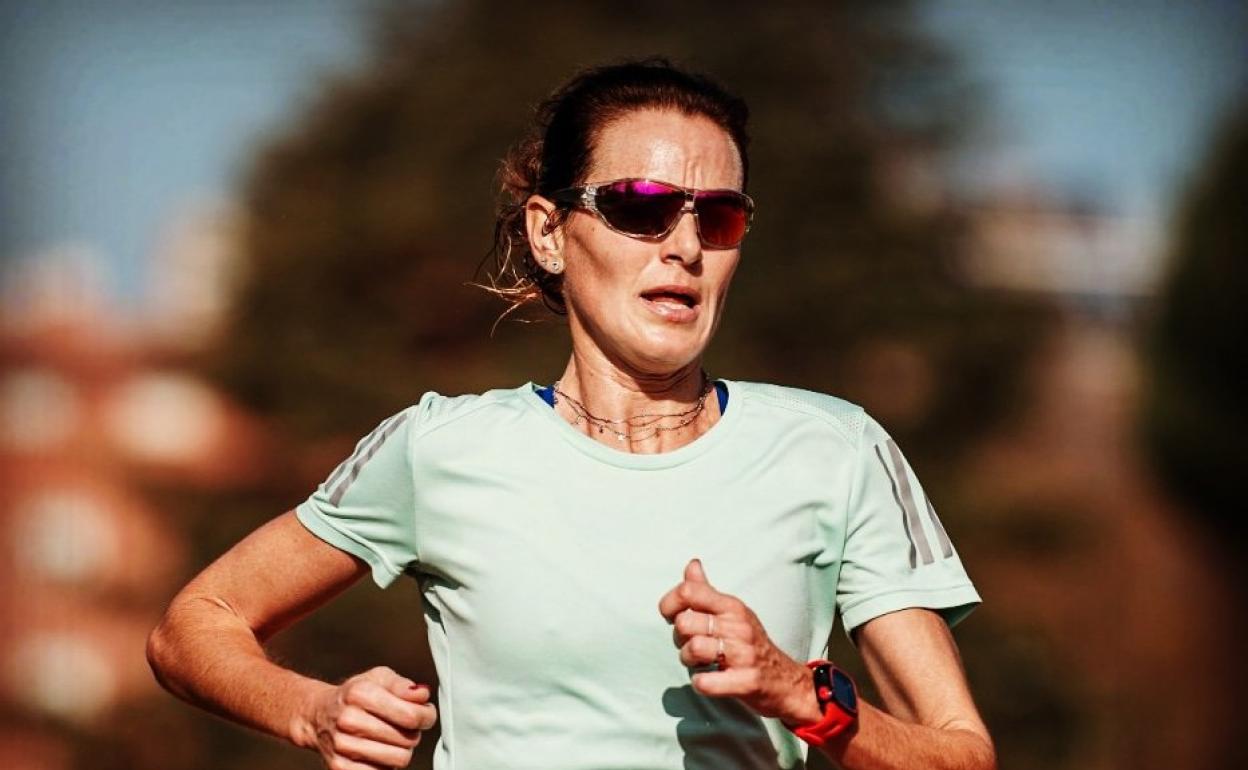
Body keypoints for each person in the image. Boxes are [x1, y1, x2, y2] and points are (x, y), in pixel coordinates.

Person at [147, 59, 996, 770]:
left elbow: (962, 754)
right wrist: (315, 710)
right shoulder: (442, 447)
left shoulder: (839, 449)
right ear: (550, 232)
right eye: (641, 204)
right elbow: (194, 628)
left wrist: (802, 694)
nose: (687, 246)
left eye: (721, 216)